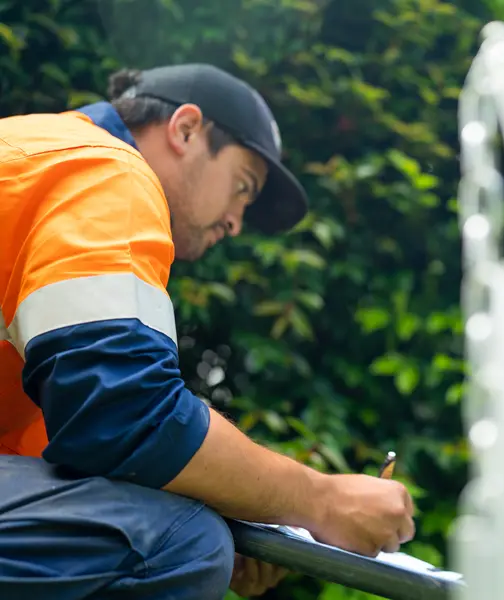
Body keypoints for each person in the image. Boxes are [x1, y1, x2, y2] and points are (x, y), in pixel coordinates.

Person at [0, 64, 416, 600]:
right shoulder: (105, 171)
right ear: (186, 129)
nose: (236, 223)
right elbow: (126, 414)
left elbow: (80, 446)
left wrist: (237, 504)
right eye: (242, 188)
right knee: (181, 542)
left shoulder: (41, 156)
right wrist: (324, 501)